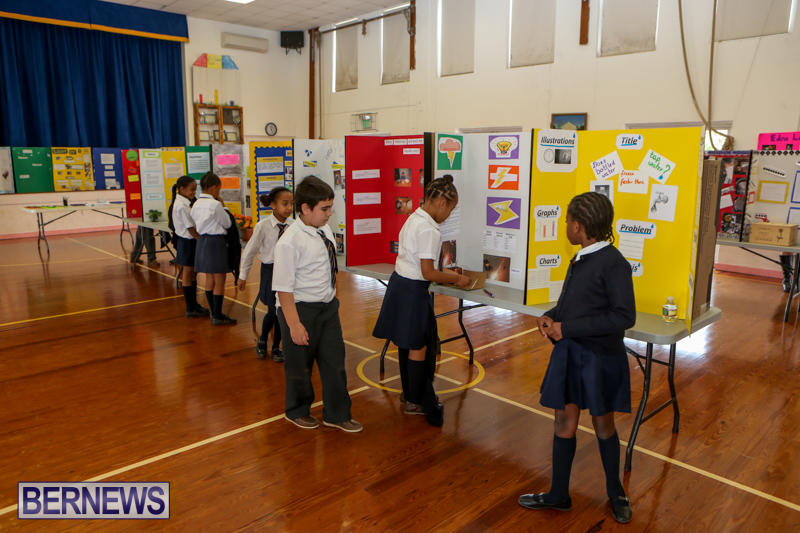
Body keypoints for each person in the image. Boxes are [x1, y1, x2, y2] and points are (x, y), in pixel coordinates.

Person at [518, 192, 636, 524]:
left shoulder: (614, 263)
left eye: (568, 220)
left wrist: (566, 327)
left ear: (579, 226)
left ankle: (616, 492)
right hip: (571, 354)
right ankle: (558, 494)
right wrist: (552, 316)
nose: (565, 225)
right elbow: (573, 305)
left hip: (600, 359)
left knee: (603, 423)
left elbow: (624, 316)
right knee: (563, 421)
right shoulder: (580, 257)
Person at [372, 175, 471, 427]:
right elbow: (428, 272)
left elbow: (422, 265)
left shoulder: (414, 217)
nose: (448, 215)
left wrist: (447, 274)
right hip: (413, 290)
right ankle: (416, 400)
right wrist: (456, 279)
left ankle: (409, 394)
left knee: (407, 344)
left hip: (400, 284)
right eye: (450, 209)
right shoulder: (429, 229)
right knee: (418, 347)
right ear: (441, 202)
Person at [273, 176, 361, 433]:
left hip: (327, 308)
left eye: (330, 207)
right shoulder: (289, 242)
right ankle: (297, 411)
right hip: (300, 310)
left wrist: (331, 297)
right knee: (300, 367)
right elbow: (283, 289)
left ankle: (337, 414)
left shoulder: (324, 229)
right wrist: (294, 325)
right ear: (305, 208)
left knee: (335, 363)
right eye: (325, 208)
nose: (329, 213)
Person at [238, 187, 294, 361]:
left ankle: (276, 347)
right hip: (270, 271)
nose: (289, 208)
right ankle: (263, 339)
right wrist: (243, 275)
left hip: (287, 271)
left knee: (281, 311)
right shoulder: (263, 226)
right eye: (285, 203)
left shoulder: (294, 226)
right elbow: (249, 251)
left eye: (291, 204)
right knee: (273, 310)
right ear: (273, 205)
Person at [191, 172, 237, 326]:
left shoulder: (196, 203)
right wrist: (224, 207)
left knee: (209, 278)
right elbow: (227, 223)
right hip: (216, 242)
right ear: (213, 187)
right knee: (220, 280)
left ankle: (214, 312)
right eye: (218, 188)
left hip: (202, 241)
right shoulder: (215, 204)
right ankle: (217, 315)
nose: (219, 192)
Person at [168, 176, 208, 318]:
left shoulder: (185, 202)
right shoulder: (181, 205)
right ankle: (190, 307)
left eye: (195, 190)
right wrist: (201, 240)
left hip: (189, 241)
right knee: (188, 272)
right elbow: (190, 228)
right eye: (191, 190)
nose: (194, 192)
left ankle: (194, 304)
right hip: (187, 242)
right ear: (181, 189)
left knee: (192, 273)